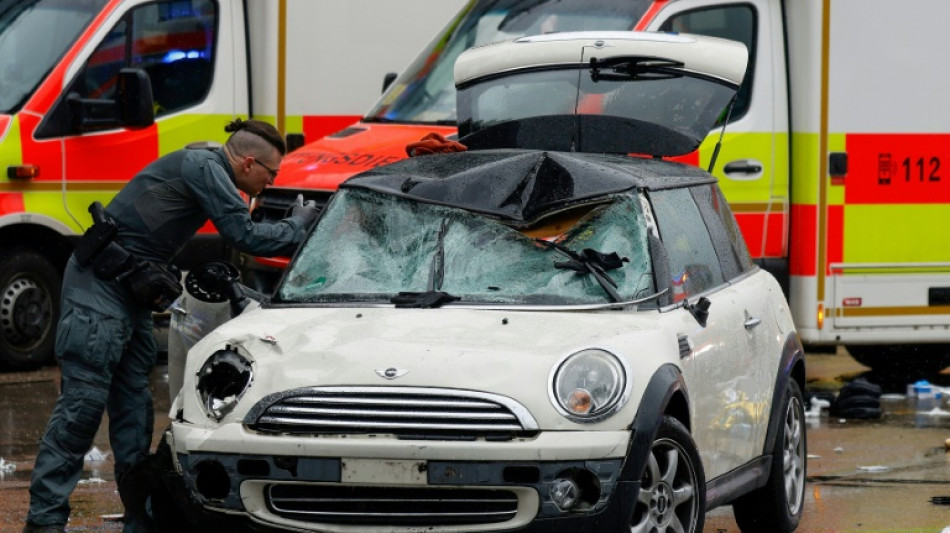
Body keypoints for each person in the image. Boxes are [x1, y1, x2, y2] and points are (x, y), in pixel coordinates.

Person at [23, 118, 319, 533]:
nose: (269, 184)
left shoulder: (204, 165)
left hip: (126, 296)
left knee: (135, 417)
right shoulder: (205, 168)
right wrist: (301, 223)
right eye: (271, 175)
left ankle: (139, 522)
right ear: (249, 163)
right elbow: (246, 235)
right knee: (81, 413)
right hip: (99, 294)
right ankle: (44, 524)